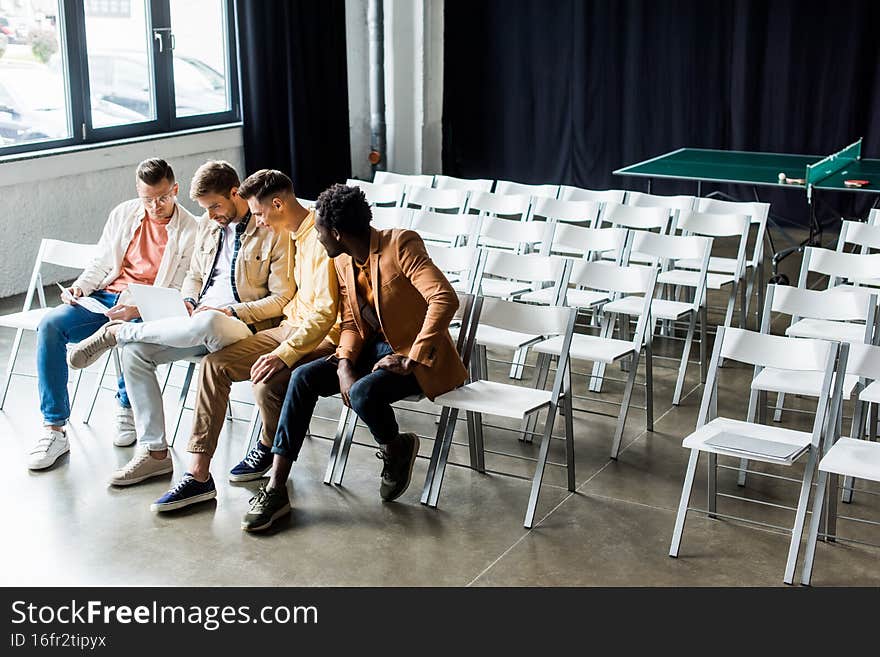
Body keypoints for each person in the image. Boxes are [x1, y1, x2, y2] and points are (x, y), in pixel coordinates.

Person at [241, 183, 468, 532]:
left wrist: (411, 358)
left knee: (362, 393)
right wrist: (344, 363)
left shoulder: (401, 244)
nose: (316, 239)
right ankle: (275, 487)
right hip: (369, 351)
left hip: (416, 354)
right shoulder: (344, 259)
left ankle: (395, 448)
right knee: (302, 378)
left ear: (336, 233)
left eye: (318, 232)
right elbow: (350, 319)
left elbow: (443, 299)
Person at [67, 161, 294, 492]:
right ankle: (155, 453)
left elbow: (281, 300)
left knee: (209, 320)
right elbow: (194, 276)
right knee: (135, 353)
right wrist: (187, 301)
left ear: (235, 193)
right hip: (195, 322)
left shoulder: (270, 230)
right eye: (205, 208)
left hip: (241, 326)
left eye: (215, 206)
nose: (211, 215)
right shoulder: (207, 224)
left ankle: (116, 332)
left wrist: (231, 311)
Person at [148, 169, 340, 513]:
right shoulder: (291, 233)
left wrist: (284, 351)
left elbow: (325, 313)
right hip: (288, 327)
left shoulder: (320, 239)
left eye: (260, 213)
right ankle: (199, 475)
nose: (258, 221)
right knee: (213, 367)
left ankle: (267, 443)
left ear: (278, 204)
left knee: (265, 380)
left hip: (322, 336)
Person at [28, 158, 199, 471]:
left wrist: (136, 307)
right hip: (104, 296)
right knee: (50, 324)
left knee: (130, 325)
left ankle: (126, 405)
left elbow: (178, 288)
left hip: (148, 305)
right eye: (148, 198)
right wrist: (79, 288)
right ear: (138, 192)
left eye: (163, 197)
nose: (155, 205)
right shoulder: (124, 213)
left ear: (175, 190)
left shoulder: (192, 229)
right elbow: (101, 262)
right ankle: (54, 429)